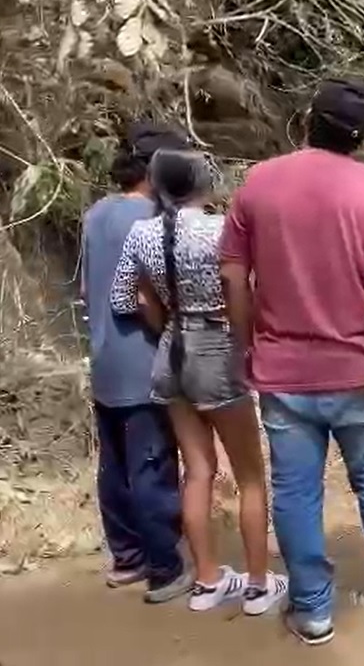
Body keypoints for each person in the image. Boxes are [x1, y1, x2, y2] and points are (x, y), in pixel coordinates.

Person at [218, 79, 364, 645]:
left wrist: (247, 343)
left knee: (296, 492)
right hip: (356, 370)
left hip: (282, 372)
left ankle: (314, 610)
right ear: (362, 135)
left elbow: (232, 274)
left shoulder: (258, 183)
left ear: (307, 119)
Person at [110, 149, 288, 615]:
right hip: (215, 348)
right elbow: (247, 289)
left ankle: (207, 581)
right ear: (201, 185)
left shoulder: (141, 232)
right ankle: (255, 584)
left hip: (171, 351)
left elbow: (127, 295)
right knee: (250, 475)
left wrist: (165, 322)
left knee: (198, 471)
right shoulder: (221, 228)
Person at [80, 123, 189, 602]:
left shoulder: (96, 214)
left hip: (103, 359)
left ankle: (127, 557)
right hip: (143, 362)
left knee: (116, 466)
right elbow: (153, 298)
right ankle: (165, 567)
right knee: (151, 465)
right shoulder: (152, 222)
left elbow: (86, 290)